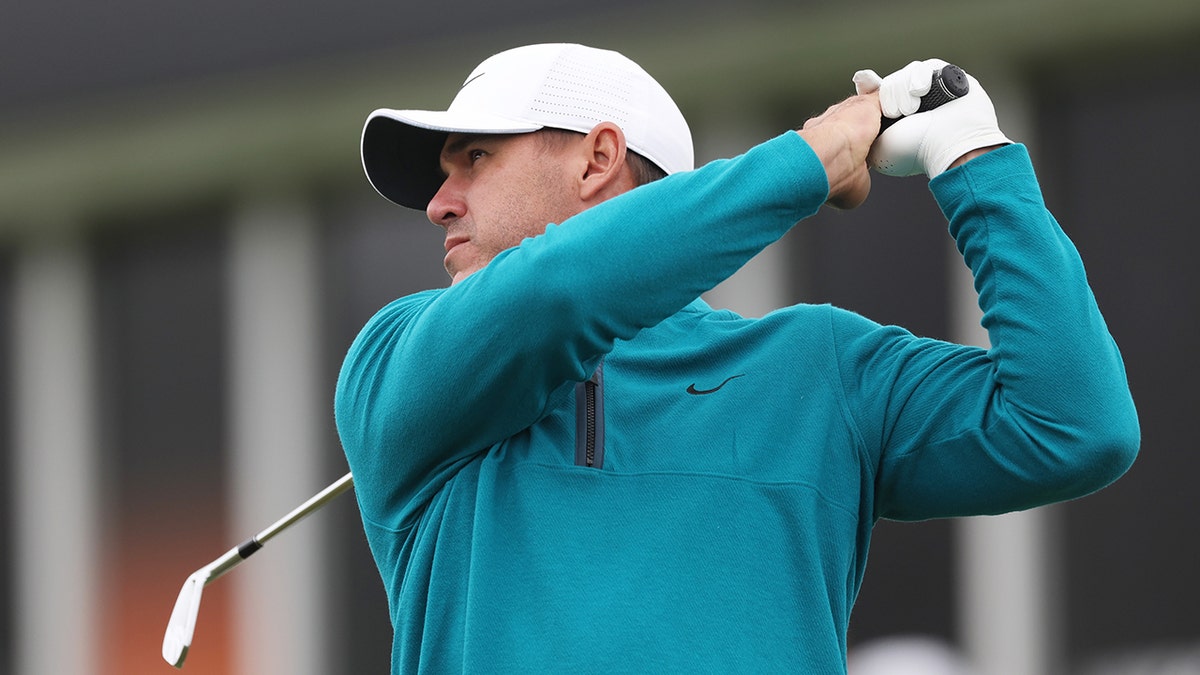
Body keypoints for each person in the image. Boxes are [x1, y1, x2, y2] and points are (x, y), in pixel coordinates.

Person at [335, 43, 1139, 673]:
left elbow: (1073, 422)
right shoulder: (392, 358)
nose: (440, 203)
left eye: (474, 159)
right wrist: (814, 155)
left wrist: (974, 159)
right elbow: (559, 290)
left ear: (596, 158)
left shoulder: (816, 365)